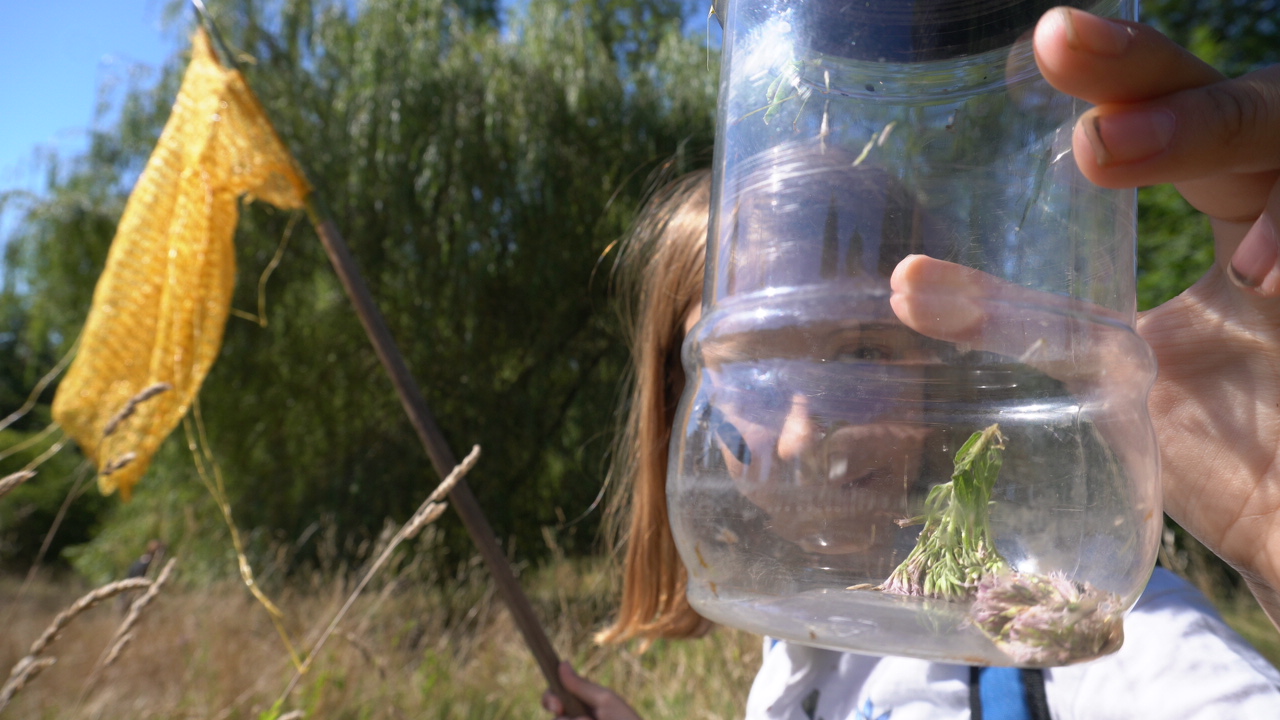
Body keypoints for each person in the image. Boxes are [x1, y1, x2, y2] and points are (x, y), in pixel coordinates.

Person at [545, 6, 1280, 719]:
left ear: (937, 367)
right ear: (683, 391)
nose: (805, 439)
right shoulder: (789, 651)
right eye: (759, 372)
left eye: (863, 353)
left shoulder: (1047, 624)